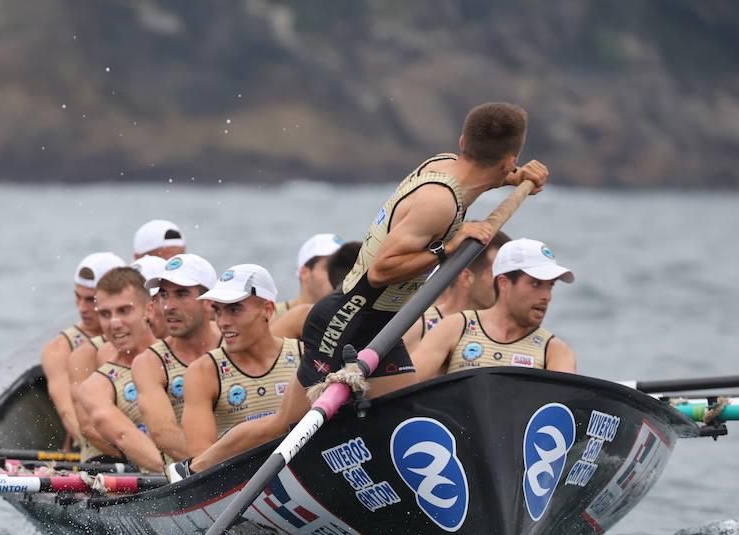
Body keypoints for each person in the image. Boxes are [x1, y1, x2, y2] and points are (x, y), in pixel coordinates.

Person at [188, 102, 548, 473]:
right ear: (511, 156)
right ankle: (193, 471)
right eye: (511, 164)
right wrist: (447, 248)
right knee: (285, 424)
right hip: (346, 320)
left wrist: (515, 180)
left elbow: (479, 174)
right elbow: (381, 270)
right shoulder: (439, 202)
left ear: (462, 142)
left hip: (381, 325)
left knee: (407, 410)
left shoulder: (445, 163)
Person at [182, 265, 302, 460]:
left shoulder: (302, 355)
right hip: (241, 482)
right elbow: (202, 460)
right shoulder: (203, 371)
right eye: (218, 311)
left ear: (268, 310)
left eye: (234, 309)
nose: (222, 322)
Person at [410, 237, 576, 377]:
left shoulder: (555, 352)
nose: (546, 296)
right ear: (504, 283)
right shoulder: (455, 327)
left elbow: (566, 410)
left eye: (550, 286)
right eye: (536, 284)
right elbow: (405, 390)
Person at [129, 254, 221, 462]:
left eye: (181, 294)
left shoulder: (235, 341)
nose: (168, 306)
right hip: (197, 476)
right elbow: (165, 434)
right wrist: (225, 468)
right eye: (163, 295)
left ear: (209, 302)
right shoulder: (149, 363)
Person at [75, 267, 164, 469]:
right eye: (105, 314)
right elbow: (122, 436)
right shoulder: (94, 386)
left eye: (124, 311)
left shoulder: (183, 356)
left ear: (149, 310)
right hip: (150, 474)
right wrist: (182, 473)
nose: (114, 323)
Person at [39, 251, 124, 445]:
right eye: (78, 297)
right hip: (93, 449)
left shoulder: (139, 334)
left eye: (90, 300)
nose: (82, 308)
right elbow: (69, 414)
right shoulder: (59, 348)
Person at [401, 230, 511, 352]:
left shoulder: (510, 333)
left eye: (512, 276)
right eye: (497, 273)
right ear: (466, 277)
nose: (507, 284)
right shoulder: (416, 328)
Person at [271, 239, 361, 339]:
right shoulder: (268, 317)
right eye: (328, 267)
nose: (340, 274)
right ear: (304, 273)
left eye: (342, 267)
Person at [274, 233, 343, 319]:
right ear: (304, 273)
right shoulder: (268, 319)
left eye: (345, 268)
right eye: (330, 267)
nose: (341, 275)